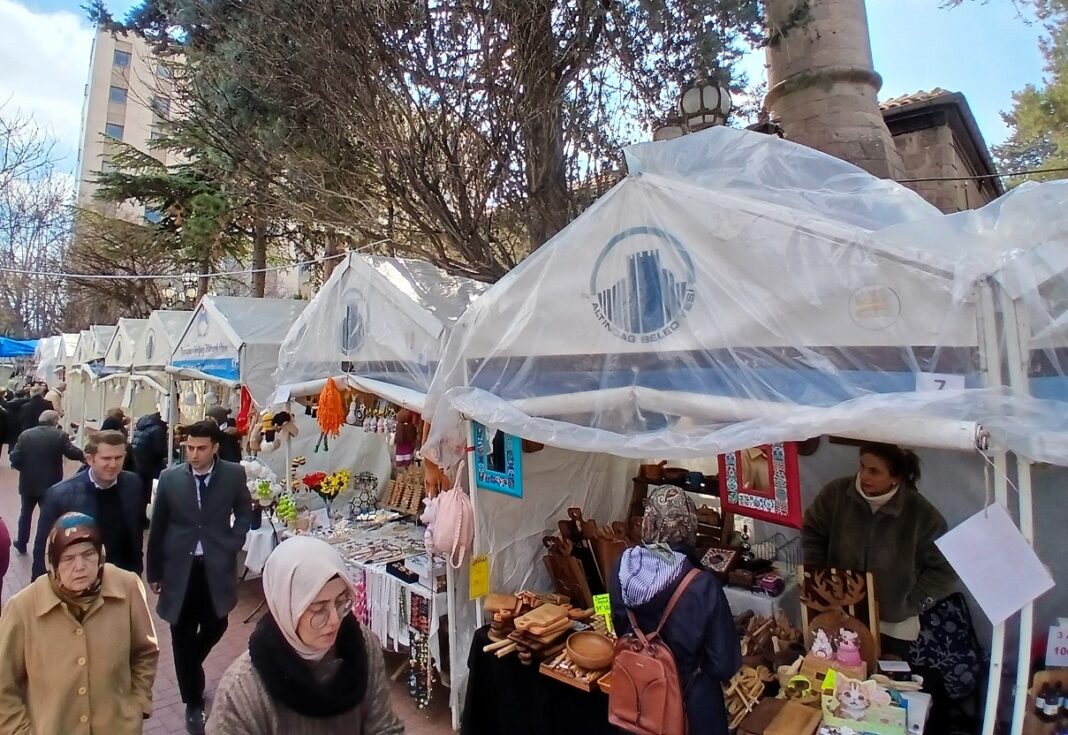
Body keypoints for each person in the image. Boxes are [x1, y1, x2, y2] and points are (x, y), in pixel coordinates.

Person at [206, 536, 403, 734]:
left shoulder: (363, 646)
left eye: (340, 602)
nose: (335, 620)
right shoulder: (242, 692)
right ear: (286, 608)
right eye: (318, 609)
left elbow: (385, 727)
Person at [0, 513, 159, 734]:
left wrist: (137, 705)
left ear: (101, 554)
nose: (80, 566)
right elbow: (4, 687)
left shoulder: (127, 587)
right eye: (68, 558)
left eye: (88, 554)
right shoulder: (22, 610)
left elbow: (145, 652)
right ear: (53, 561)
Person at [801, 442, 958, 658]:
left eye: (874, 471)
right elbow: (812, 531)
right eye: (862, 466)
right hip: (838, 614)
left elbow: (946, 568)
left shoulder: (923, 516)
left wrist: (911, 603)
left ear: (896, 477)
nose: (864, 476)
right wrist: (820, 575)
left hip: (892, 628)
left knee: (881, 677)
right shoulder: (835, 494)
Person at [147, 420, 253, 734]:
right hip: (179, 568)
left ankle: (190, 666)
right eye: (190, 448)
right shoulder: (170, 478)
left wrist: (234, 540)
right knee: (180, 633)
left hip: (215, 565)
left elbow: (244, 511)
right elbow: (158, 526)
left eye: (201, 448)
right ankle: (193, 703)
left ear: (215, 447)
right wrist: (154, 570)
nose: (193, 454)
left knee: (217, 622)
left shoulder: (233, 475)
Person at [609, 486, 742, 735]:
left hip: (638, 698)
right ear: (688, 525)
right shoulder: (702, 585)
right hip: (690, 710)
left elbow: (620, 629)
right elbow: (724, 664)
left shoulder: (622, 566)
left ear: (648, 522)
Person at [32, 430, 145, 580]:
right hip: (80, 578)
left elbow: (136, 532)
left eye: (118, 458)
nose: (113, 464)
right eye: (106, 458)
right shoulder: (60, 495)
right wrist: (41, 584)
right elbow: (43, 547)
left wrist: (137, 572)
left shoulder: (133, 484)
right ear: (90, 459)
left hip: (123, 576)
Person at [9, 410, 85, 555]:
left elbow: (15, 457)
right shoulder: (59, 435)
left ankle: (22, 541)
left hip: (28, 482)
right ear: (55, 421)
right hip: (51, 484)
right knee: (49, 515)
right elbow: (71, 452)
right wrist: (85, 456)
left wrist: (23, 468)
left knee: (25, 513)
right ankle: (47, 543)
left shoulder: (26, 435)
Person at [131, 409, 170, 520]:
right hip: (149, 464)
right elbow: (159, 450)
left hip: (139, 461)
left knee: (141, 490)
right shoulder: (158, 429)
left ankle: (139, 516)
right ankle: (141, 517)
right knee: (146, 491)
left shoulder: (143, 424)